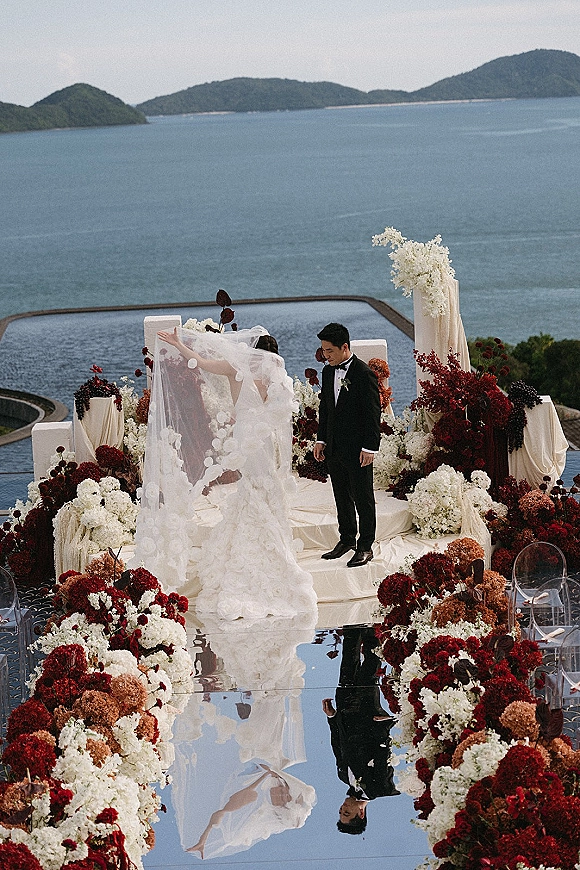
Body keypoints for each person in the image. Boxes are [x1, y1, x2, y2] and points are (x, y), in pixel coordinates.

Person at [133, 324, 317, 621]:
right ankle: (269, 535)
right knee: (264, 483)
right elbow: (283, 414)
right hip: (263, 438)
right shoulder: (276, 376)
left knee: (253, 485)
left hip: (246, 434)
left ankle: (257, 532)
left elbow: (200, 363)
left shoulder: (235, 368)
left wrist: (179, 344)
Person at [313, 323, 381, 568]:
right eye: (323, 350)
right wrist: (321, 439)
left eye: (329, 351)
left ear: (344, 348)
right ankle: (347, 539)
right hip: (334, 446)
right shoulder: (328, 372)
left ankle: (365, 546)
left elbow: (374, 413)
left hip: (358, 449)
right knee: (341, 496)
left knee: (363, 498)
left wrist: (370, 447)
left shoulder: (364, 374)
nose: (325, 356)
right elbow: (326, 408)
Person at [322, 625, 399, 835]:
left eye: (340, 812)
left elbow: (337, 744)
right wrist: (385, 724)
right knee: (370, 665)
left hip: (345, 711)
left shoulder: (343, 777)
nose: (342, 808)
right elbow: (384, 754)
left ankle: (353, 626)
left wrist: (332, 717)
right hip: (366, 713)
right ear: (361, 814)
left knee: (348, 662)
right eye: (347, 813)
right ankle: (372, 627)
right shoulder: (378, 789)